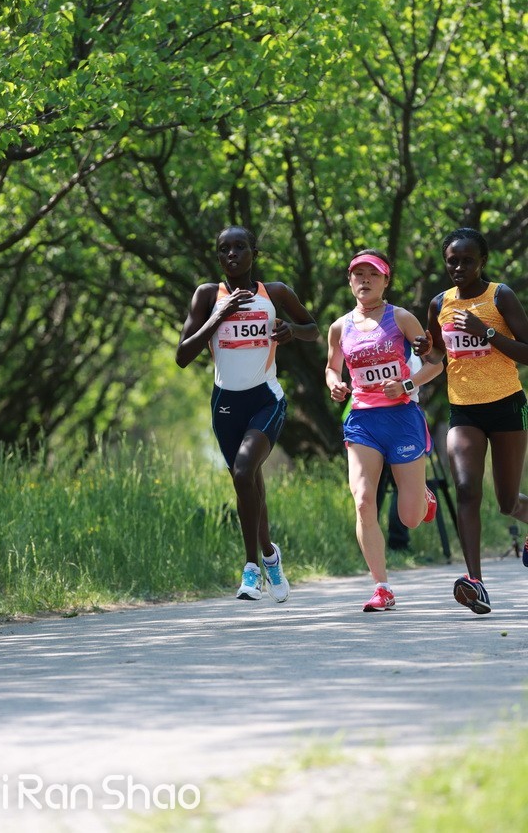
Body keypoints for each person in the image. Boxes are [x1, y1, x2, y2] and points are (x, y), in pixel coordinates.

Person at [175, 225, 319, 602]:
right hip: (225, 403)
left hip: (265, 398)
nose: (232, 255)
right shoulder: (208, 295)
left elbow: (312, 328)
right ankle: (271, 554)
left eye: (240, 247)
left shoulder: (275, 292)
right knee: (248, 481)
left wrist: (292, 331)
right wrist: (218, 316)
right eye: (224, 249)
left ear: (255, 252)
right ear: (218, 256)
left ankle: (252, 568)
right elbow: (182, 356)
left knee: (244, 469)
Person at [415, 228, 528, 614]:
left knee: (508, 501)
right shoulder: (438, 304)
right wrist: (428, 350)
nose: (458, 267)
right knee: (465, 489)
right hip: (464, 409)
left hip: (507, 405)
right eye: (452, 260)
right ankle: (476, 582)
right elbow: (439, 356)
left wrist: (488, 331)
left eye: (467, 260)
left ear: (482, 262)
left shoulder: (500, 296)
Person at [326, 249, 443, 612]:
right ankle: (382, 586)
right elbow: (331, 368)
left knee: (409, 517)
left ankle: (423, 496)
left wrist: (407, 385)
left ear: (385, 280)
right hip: (362, 420)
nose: (364, 280)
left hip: (403, 419)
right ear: (349, 282)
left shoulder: (402, 318)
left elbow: (436, 363)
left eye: (372, 275)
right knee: (363, 500)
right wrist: (335, 384)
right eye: (357, 274)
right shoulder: (339, 327)